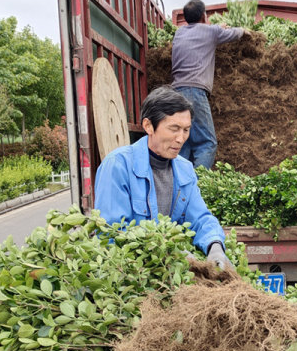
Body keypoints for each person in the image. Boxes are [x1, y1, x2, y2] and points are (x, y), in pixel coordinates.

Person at [94, 86, 232, 269]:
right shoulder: (118, 166)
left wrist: (214, 246)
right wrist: (167, 251)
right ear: (148, 126)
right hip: (129, 271)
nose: (181, 138)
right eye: (174, 129)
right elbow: (111, 232)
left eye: (186, 130)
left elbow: (200, 218)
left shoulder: (185, 169)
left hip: (172, 273)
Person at [171, 0, 249, 169]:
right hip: (194, 92)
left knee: (182, 141)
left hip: (175, 93)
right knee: (207, 143)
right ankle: (199, 187)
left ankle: (178, 185)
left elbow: (203, 32)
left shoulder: (179, 33)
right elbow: (237, 33)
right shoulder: (211, 32)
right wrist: (244, 29)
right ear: (204, 16)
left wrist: (215, 29)